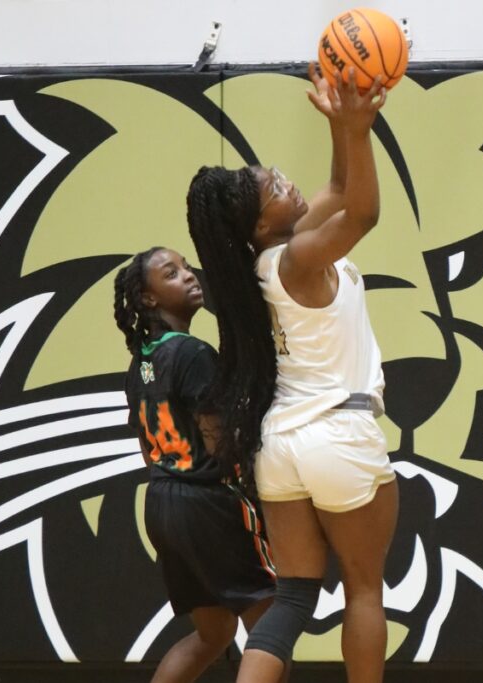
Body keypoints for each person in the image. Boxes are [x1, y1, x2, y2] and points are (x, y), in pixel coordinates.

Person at [185, 64, 394, 683]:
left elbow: (339, 184)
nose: (284, 179)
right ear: (258, 223)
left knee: (297, 595)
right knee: (363, 590)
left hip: (281, 447)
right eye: (272, 184)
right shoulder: (298, 256)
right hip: (339, 433)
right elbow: (363, 215)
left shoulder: (258, 263)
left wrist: (340, 127)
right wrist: (361, 129)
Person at [113, 246, 280, 683]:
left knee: (213, 633)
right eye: (172, 273)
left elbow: (147, 446)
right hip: (208, 502)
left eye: (187, 267)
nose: (189, 276)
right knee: (271, 629)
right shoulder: (192, 353)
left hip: (163, 499)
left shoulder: (142, 362)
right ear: (148, 299)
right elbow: (219, 440)